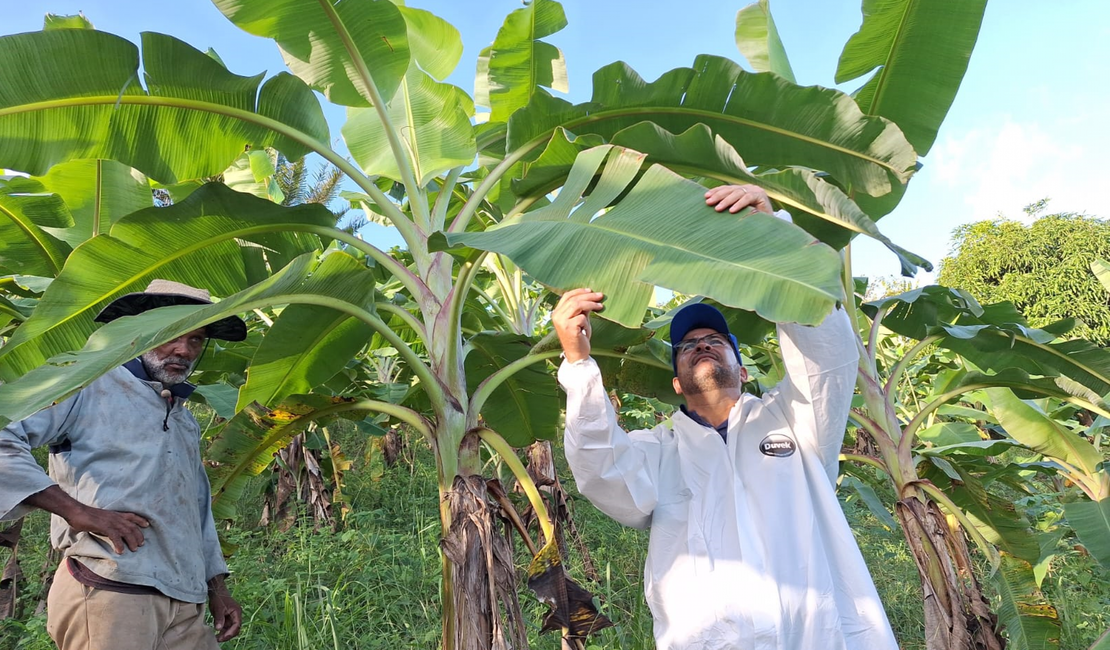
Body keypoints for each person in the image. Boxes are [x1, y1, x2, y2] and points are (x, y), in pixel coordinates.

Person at [551, 185, 898, 649]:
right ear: (675, 382)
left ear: (743, 368)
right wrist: (577, 363)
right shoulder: (657, 451)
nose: (702, 344)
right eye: (687, 346)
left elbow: (826, 357)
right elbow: (600, 469)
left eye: (716, 339)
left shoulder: (795, 419)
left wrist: (776, 239)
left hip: (819, 636)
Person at [0, 280, 247, 650]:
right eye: (173, 334)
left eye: (196, 339)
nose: (184, 349)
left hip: (184, 599)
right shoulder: (87, 386)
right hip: (109, 587)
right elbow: (4, 438)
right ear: (141, 330)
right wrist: (77, 511)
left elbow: (196, 510)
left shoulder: (183, 418)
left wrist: (217, 587)